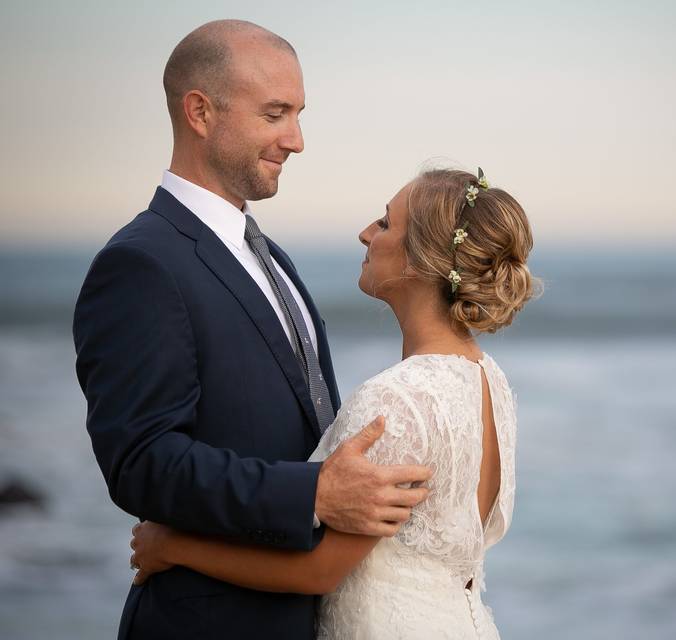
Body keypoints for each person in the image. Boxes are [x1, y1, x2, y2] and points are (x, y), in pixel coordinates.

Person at [73, 20, 431, 640]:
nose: (296, 140)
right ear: (200, 112)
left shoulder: (273, 257)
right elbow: (140, 461)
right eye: (275, 114)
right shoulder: (142, 263)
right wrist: (313, 495)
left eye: (297, 114)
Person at [129, 167, 539, 639]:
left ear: (421, 261)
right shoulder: (491, 381)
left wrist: (175, 547)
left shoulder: (397, 402)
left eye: (385, 224)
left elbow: (318, 572)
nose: (365, 233)